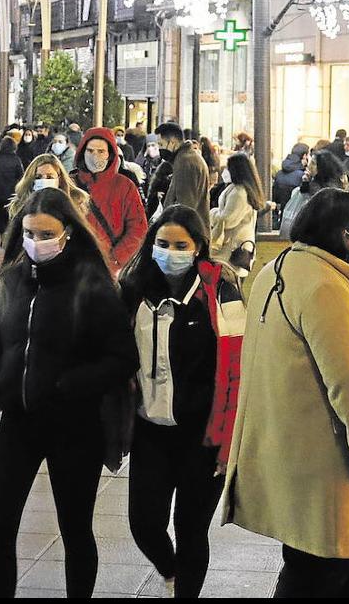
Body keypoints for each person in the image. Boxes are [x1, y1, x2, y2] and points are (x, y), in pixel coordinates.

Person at [224, 189, 349, 598]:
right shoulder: (326, 287)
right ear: (343, 235)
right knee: (324, 575)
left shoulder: (278, 271)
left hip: (293, 457)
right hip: (329, 465)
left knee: (316, 570)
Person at [0, 189, 138, 598]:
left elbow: (122, 358)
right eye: (30, 232)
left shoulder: (92, 284)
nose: (37, 241)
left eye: (46, 233)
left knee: (75, 527)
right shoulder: (11, 279)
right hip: (17, 420)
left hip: (74, 425)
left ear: (68, 231)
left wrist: (69, 384)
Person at [120, 205, 245, 598]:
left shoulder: (220, 289)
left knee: (191, 528)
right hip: (150, 432)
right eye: (161, 243)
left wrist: (230, 438)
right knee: (145, 524)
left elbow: (238, 365)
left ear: (198, 248)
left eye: (180, 245)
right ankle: (170, 567)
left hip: (202, 435)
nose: (169, 251)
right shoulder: (132, 288)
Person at [72, 128, 148, 275]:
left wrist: (114, 261)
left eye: (101, 151)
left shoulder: (125, 186)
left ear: (110, 154)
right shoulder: (71, 184)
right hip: (74, 269)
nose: (95, 156)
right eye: (90, 151)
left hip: (112, 271)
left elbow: (138, 228)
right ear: (82, 152)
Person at [2, 154, 92, 263]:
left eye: (49, 177)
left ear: (59, 179)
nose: (44, 180)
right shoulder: (19, 205)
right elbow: (13, 242)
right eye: (38, 177)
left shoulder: (76, 203)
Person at [210, 153, 265, 278]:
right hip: (239, 247)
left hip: (231, 251)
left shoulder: (239, 193)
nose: (225, 171)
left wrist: (212, 213)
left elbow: (227, 220)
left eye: (228, 168)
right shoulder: (245, 189)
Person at [148, 123, 210, 226]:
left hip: (188, 233)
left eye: (161, 144)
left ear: (173, 143)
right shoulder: (185, 158)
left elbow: (185, 207)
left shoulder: (185, 162)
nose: (159, 149)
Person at [279, 149, 348, 239]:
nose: (310, 166)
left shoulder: (328, 186)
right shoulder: (316, 181)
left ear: (323, 167)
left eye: (314, 163)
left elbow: (317, 200)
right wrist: (305, 182)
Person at [272, 142, 310, 218]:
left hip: (283, 215)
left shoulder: (279, 173)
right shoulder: (303, 176)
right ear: (304, 156)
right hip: (297, 216)